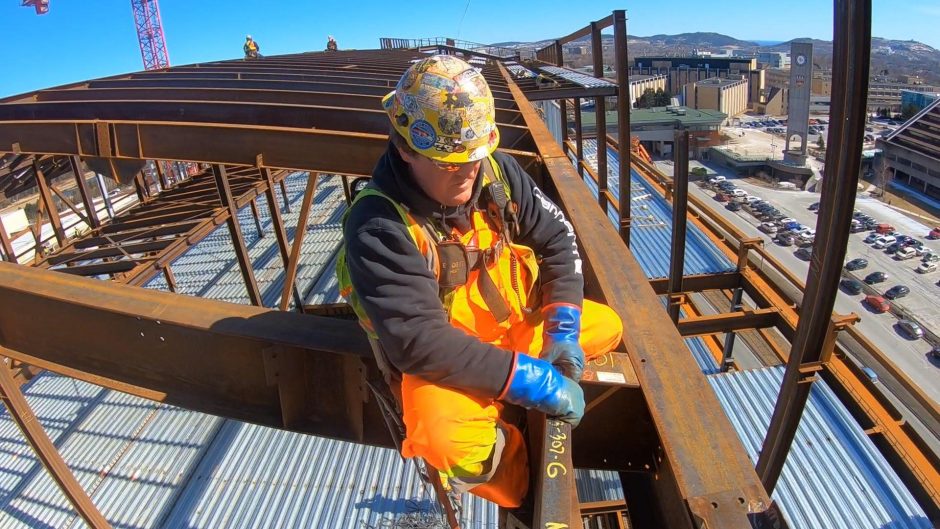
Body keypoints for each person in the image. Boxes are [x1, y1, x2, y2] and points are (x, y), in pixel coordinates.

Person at [336, 55, 622, 508]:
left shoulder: (496, 172)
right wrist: (534, 384)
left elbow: (556, 241)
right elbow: (420, 344)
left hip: (510, 332)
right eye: (451, 162)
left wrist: (561, 332)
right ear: (407, 150)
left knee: (605, 326)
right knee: (442, 436)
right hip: (448, 362)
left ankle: (515, 386)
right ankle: (516, 484)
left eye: (475, 156)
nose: (468, 171)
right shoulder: (379, 226)